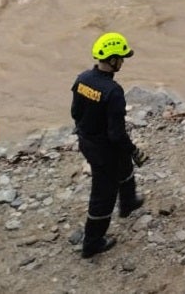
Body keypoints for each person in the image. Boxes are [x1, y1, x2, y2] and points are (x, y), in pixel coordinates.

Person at [71, 32, 145, 258]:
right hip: (105, 149)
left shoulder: (82, 79)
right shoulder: (113, 92)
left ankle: (129, 202)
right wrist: (133, 150)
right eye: (121, 58)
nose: (123, 62)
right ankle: (92, 243)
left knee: (123, 166)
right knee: (103, 195)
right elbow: (116, 134)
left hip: (87, 141)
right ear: (113, 60)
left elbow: (75, 112)